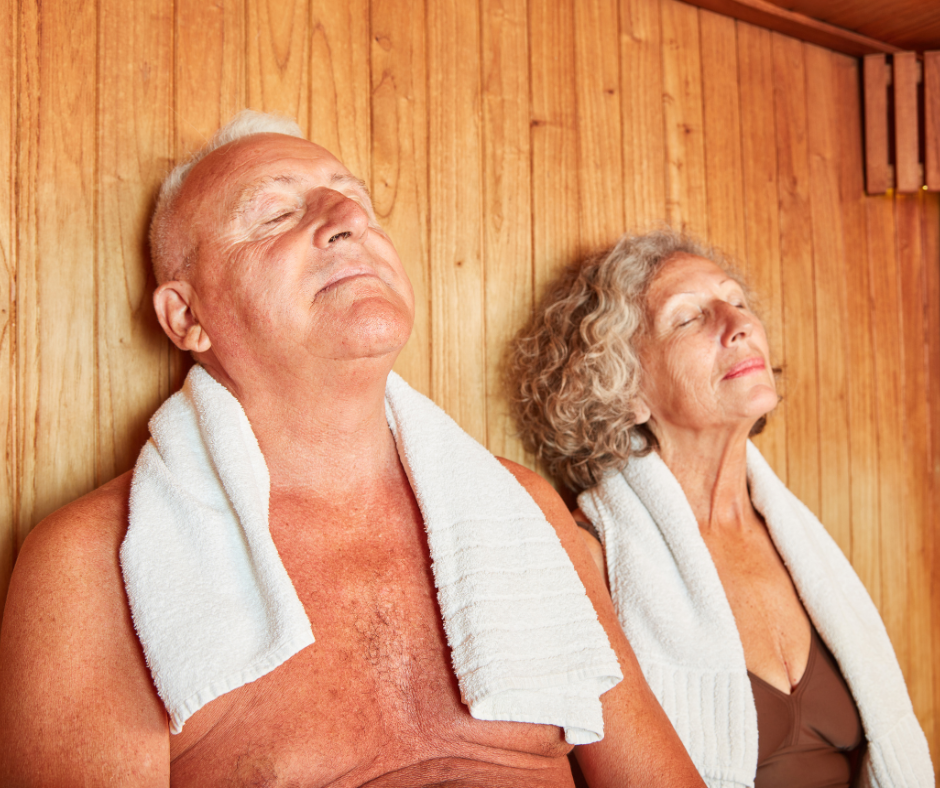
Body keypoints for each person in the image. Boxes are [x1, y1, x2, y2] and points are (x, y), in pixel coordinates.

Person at [0, 113, 705, 788]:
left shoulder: (522, 508)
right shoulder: (94, 561)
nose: (349, 221)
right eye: (276, 213)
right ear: (187, 316)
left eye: (357, 203)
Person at [507, 230, 934, 788]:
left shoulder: (800, 545)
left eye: (736, 302)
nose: (739, 325)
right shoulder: (594, 557)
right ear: (623, 389)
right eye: (688, 319)